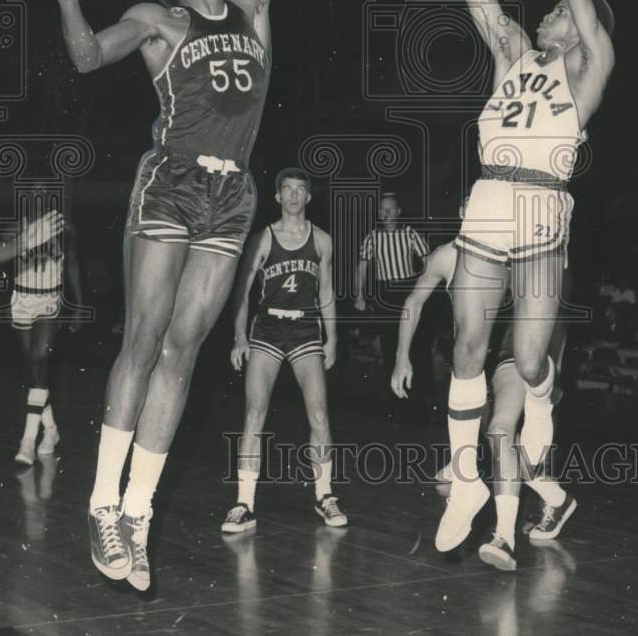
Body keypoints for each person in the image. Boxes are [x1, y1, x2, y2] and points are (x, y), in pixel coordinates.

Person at [30, 0, 374, 591]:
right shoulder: (160, 20)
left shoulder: (252, 4)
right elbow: (85, 59)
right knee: (144, 339)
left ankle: (137, 516)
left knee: (184, 352)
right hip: (172, 182)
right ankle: (98, 503)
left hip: (233, 195)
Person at [437, 0, 615, 554]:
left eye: (561, 12)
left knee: (532, 360)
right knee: (466, 347)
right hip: (488, 200)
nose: (548, 13)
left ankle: (538, 404)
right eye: (546, 10)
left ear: (585, 29)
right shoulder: (512, 52)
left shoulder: (588, 69)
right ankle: (465, 480)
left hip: (543, 205)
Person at [390, 218, 576, 570]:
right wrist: (402, 357)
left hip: (513, 348)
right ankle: (557, 498)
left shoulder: (520, 251)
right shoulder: (445, 257)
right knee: (495, 452)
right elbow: (414, 302)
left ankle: (503, 536)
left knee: (500, 432)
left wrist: (552, 364)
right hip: (475, 361)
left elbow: (554, 304)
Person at [223, 168, 346, 533]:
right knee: (254, 412)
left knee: (319, 412)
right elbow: (243, 289)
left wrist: (333, 338)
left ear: (308, 197)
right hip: (267, 328)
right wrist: (239, 337)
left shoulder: (322, 240)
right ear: (278, 197)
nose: (294, 195)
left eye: (300, 190)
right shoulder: (264, 238)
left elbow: (326, 293)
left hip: (306, 329)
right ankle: (244, 503)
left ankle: (325, 496)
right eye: (287, 189)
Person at [0, 205, 82, 463]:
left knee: (39, 357)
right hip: (21, 300)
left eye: (42, 189)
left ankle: (28, 440)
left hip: (49, 301)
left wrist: (78, 305)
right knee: (35, 372)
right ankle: (52, 431)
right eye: (32, 189)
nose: (37, 195)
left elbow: (73, 266)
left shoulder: (63, 228)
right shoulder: (15, 228)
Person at [353, 192, 430, 413]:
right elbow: (361, 269)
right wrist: (359, 295)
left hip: (407, 291)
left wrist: (427, 290)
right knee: (388, 345)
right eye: (381, 210)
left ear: (398, 212)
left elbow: (428, 262)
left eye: (389, 209)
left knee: (415, 344)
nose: (385, 214)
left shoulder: (409, 234)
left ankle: (418, 398)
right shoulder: (372, 237)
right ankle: (396, 400)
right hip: (384, 294)